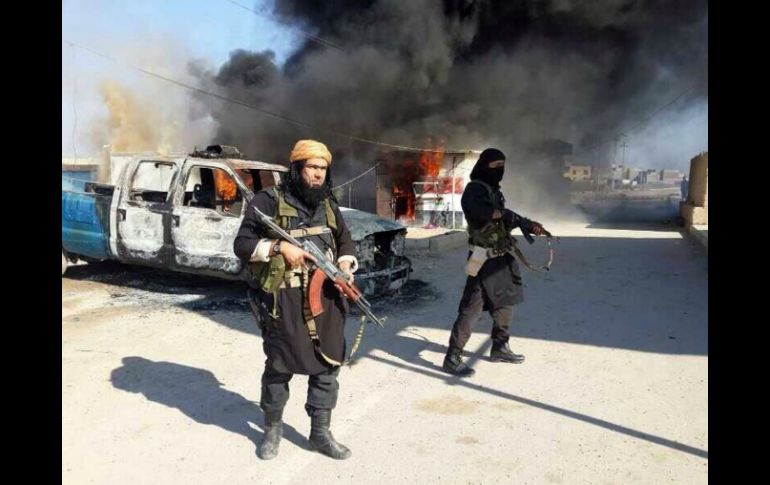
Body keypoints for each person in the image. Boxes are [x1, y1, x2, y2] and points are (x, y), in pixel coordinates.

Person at [234, 139, 357, 460]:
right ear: (298, 168)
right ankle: (272, 430)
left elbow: (345, 241)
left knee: (328, 364)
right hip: (283, 299)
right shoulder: (268, 201)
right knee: (279, 364)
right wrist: (278, 248)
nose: (317, 175)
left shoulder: (328, 203)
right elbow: (243, 243)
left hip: (326, 297)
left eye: (322, 169)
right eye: (312, 167)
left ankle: (320, 433)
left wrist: (345, 265)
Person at [443, 148, 549, 377]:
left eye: (502, 165)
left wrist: (525, 223)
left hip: (502, 257)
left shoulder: (494, 191)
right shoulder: (475, 189)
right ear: (484, 166)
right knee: (471, 309)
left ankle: (500, 346)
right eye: (495, 166)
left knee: (505, 304)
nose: (499, 170)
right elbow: (479, 211)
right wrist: (504, 214)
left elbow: (501, 221)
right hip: (483, 260)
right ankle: (453, 356)